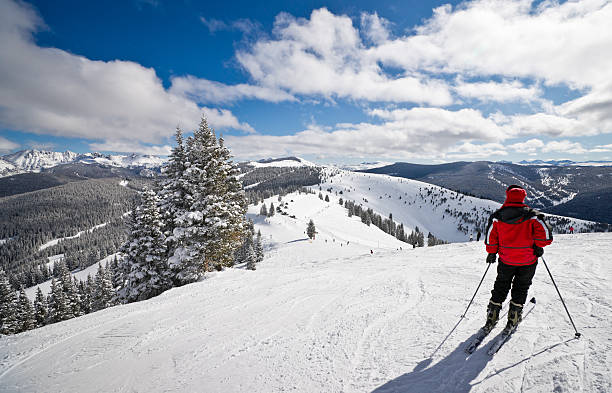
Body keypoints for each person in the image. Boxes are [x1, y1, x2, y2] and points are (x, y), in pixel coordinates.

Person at [483, 185, 553, 333]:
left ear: (507, 196)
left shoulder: (498, 216)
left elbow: (491, 237)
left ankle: (492, 315)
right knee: (521, 286)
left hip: (506, 259)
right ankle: (514, 316)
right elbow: (546, 237)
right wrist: (538, 245)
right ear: (523, 197)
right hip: (528, 260)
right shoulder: (533, 215)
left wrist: (491, 252)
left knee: (501, 284)